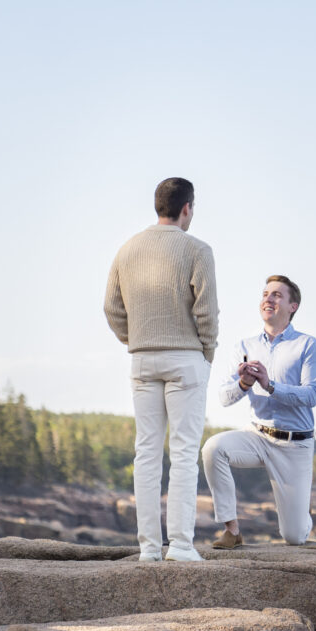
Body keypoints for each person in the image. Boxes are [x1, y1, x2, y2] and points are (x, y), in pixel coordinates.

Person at [104, 177, 218, 562]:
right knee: (183, 453)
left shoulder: (127, 250)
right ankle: (181, 546)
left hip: (142, 358)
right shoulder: (197, 249)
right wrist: (206, 354)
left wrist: (136, 339)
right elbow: (207, 312)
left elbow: (111, 308)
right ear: (187, 208)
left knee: (147, 454)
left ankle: (149, 548)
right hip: (185, 357)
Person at [202, 274, 316, 548]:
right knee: (213, 449)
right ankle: (232, 530)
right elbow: (224, 397)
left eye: (277, 295)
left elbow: (312, 395)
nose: (268, 299)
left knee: (294, 537)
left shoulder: (307, 344)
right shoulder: (244, 347)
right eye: (265, 294)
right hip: (257, 436)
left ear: (292, 306)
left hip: (295, 445)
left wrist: (270, 385)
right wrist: (244, 383)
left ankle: (301, 510)